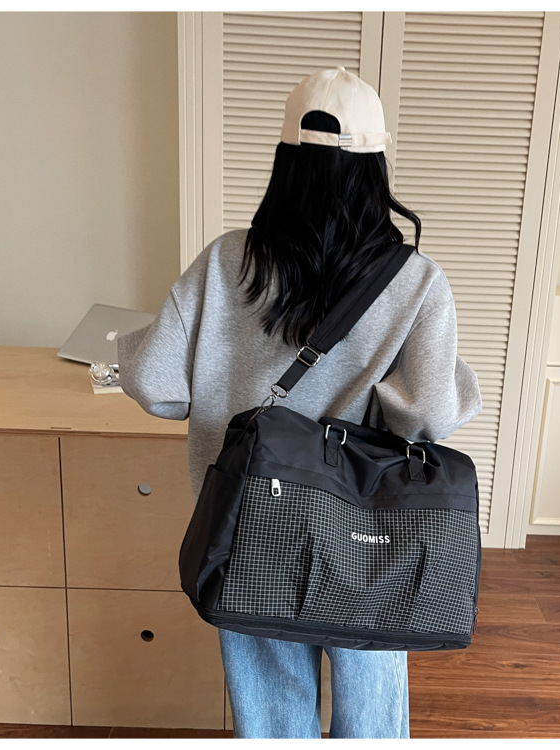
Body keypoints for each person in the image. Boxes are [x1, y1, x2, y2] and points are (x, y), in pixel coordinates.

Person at [117, 67, 481, 739]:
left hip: (251, 515)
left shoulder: (227, 261)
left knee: (271, 713)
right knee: (371, 698)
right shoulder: (415, 281)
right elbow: (428, 415)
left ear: (285, 157)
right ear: (377, 163)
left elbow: (154, 383)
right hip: (368, 525)